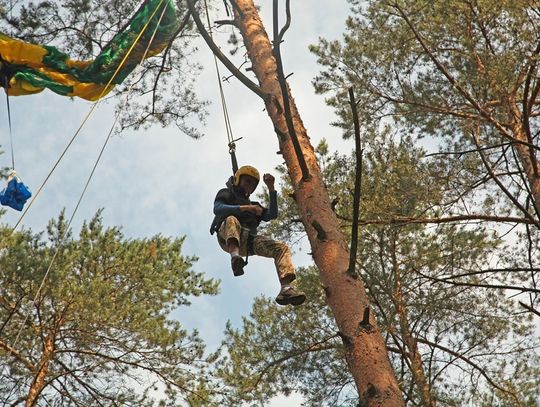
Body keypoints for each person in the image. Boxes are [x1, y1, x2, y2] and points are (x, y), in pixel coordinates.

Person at [210, 165, 306, 306]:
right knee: (232, 219)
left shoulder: (255, 206)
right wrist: (245, 208)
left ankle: (286, 288)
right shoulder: (227, 193)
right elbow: (217, 209)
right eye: (246, 181)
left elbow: (272, 214)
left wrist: (271, 188)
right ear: (238, 180)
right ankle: (235, 259)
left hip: (248, 243)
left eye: (252, 184)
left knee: (281, 248)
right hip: (227, 236)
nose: (248, 185)